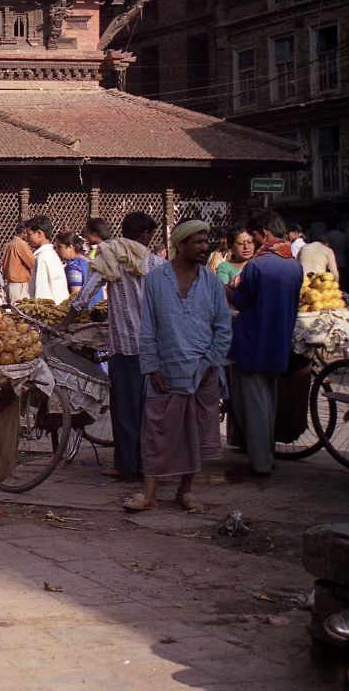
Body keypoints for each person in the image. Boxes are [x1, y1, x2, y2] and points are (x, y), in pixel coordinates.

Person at [124, 220, 231, 514]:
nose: (204, 246)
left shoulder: (211, 282)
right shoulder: (157, 280)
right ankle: (148, 493)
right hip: (165, 372)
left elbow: (223, 328)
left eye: (206, 241)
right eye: (197, 242)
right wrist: (153, 367)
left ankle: (186, 489)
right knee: (155, 431)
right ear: (180, 246)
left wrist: (211, 362)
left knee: (194, 432)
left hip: (202, 371)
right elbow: (148, 328)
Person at [63, 211, 167, 480]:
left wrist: (64, 325)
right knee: (149, 410)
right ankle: (148, 465)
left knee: (125, 409)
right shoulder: (157, 264)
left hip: (125, 348)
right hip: (154, 348)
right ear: (146, 236)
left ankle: (127, 465)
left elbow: (83, 297)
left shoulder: (112, 258)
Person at [225, 210, 304, 481]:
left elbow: (242, 302)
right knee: (268, 402)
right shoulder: (294, 265)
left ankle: (259, 464)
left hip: (253, 342)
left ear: (263, 234)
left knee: (255, 406)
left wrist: (223, 288)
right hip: (278, 342)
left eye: (255, 236)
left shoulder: (258, 266)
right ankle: (266, 457)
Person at [26, 215, 68, 304]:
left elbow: (42, 291)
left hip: (48, 311)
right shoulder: (50, 254)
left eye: (29, 234)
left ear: (39, 234)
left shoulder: (43, 257)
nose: (27, 238)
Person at [0, 223, 35, 303]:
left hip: (11, 284)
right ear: (24, 232)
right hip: (19, 285)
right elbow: (32, 263)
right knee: (20, 311)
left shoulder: (9, 244)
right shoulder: (21, 244)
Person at [55, 231, 90, 298]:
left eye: (59, 247)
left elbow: (75, 295)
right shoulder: (88, 261)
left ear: (70, 247)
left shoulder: (73, 266)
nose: (57, 250)